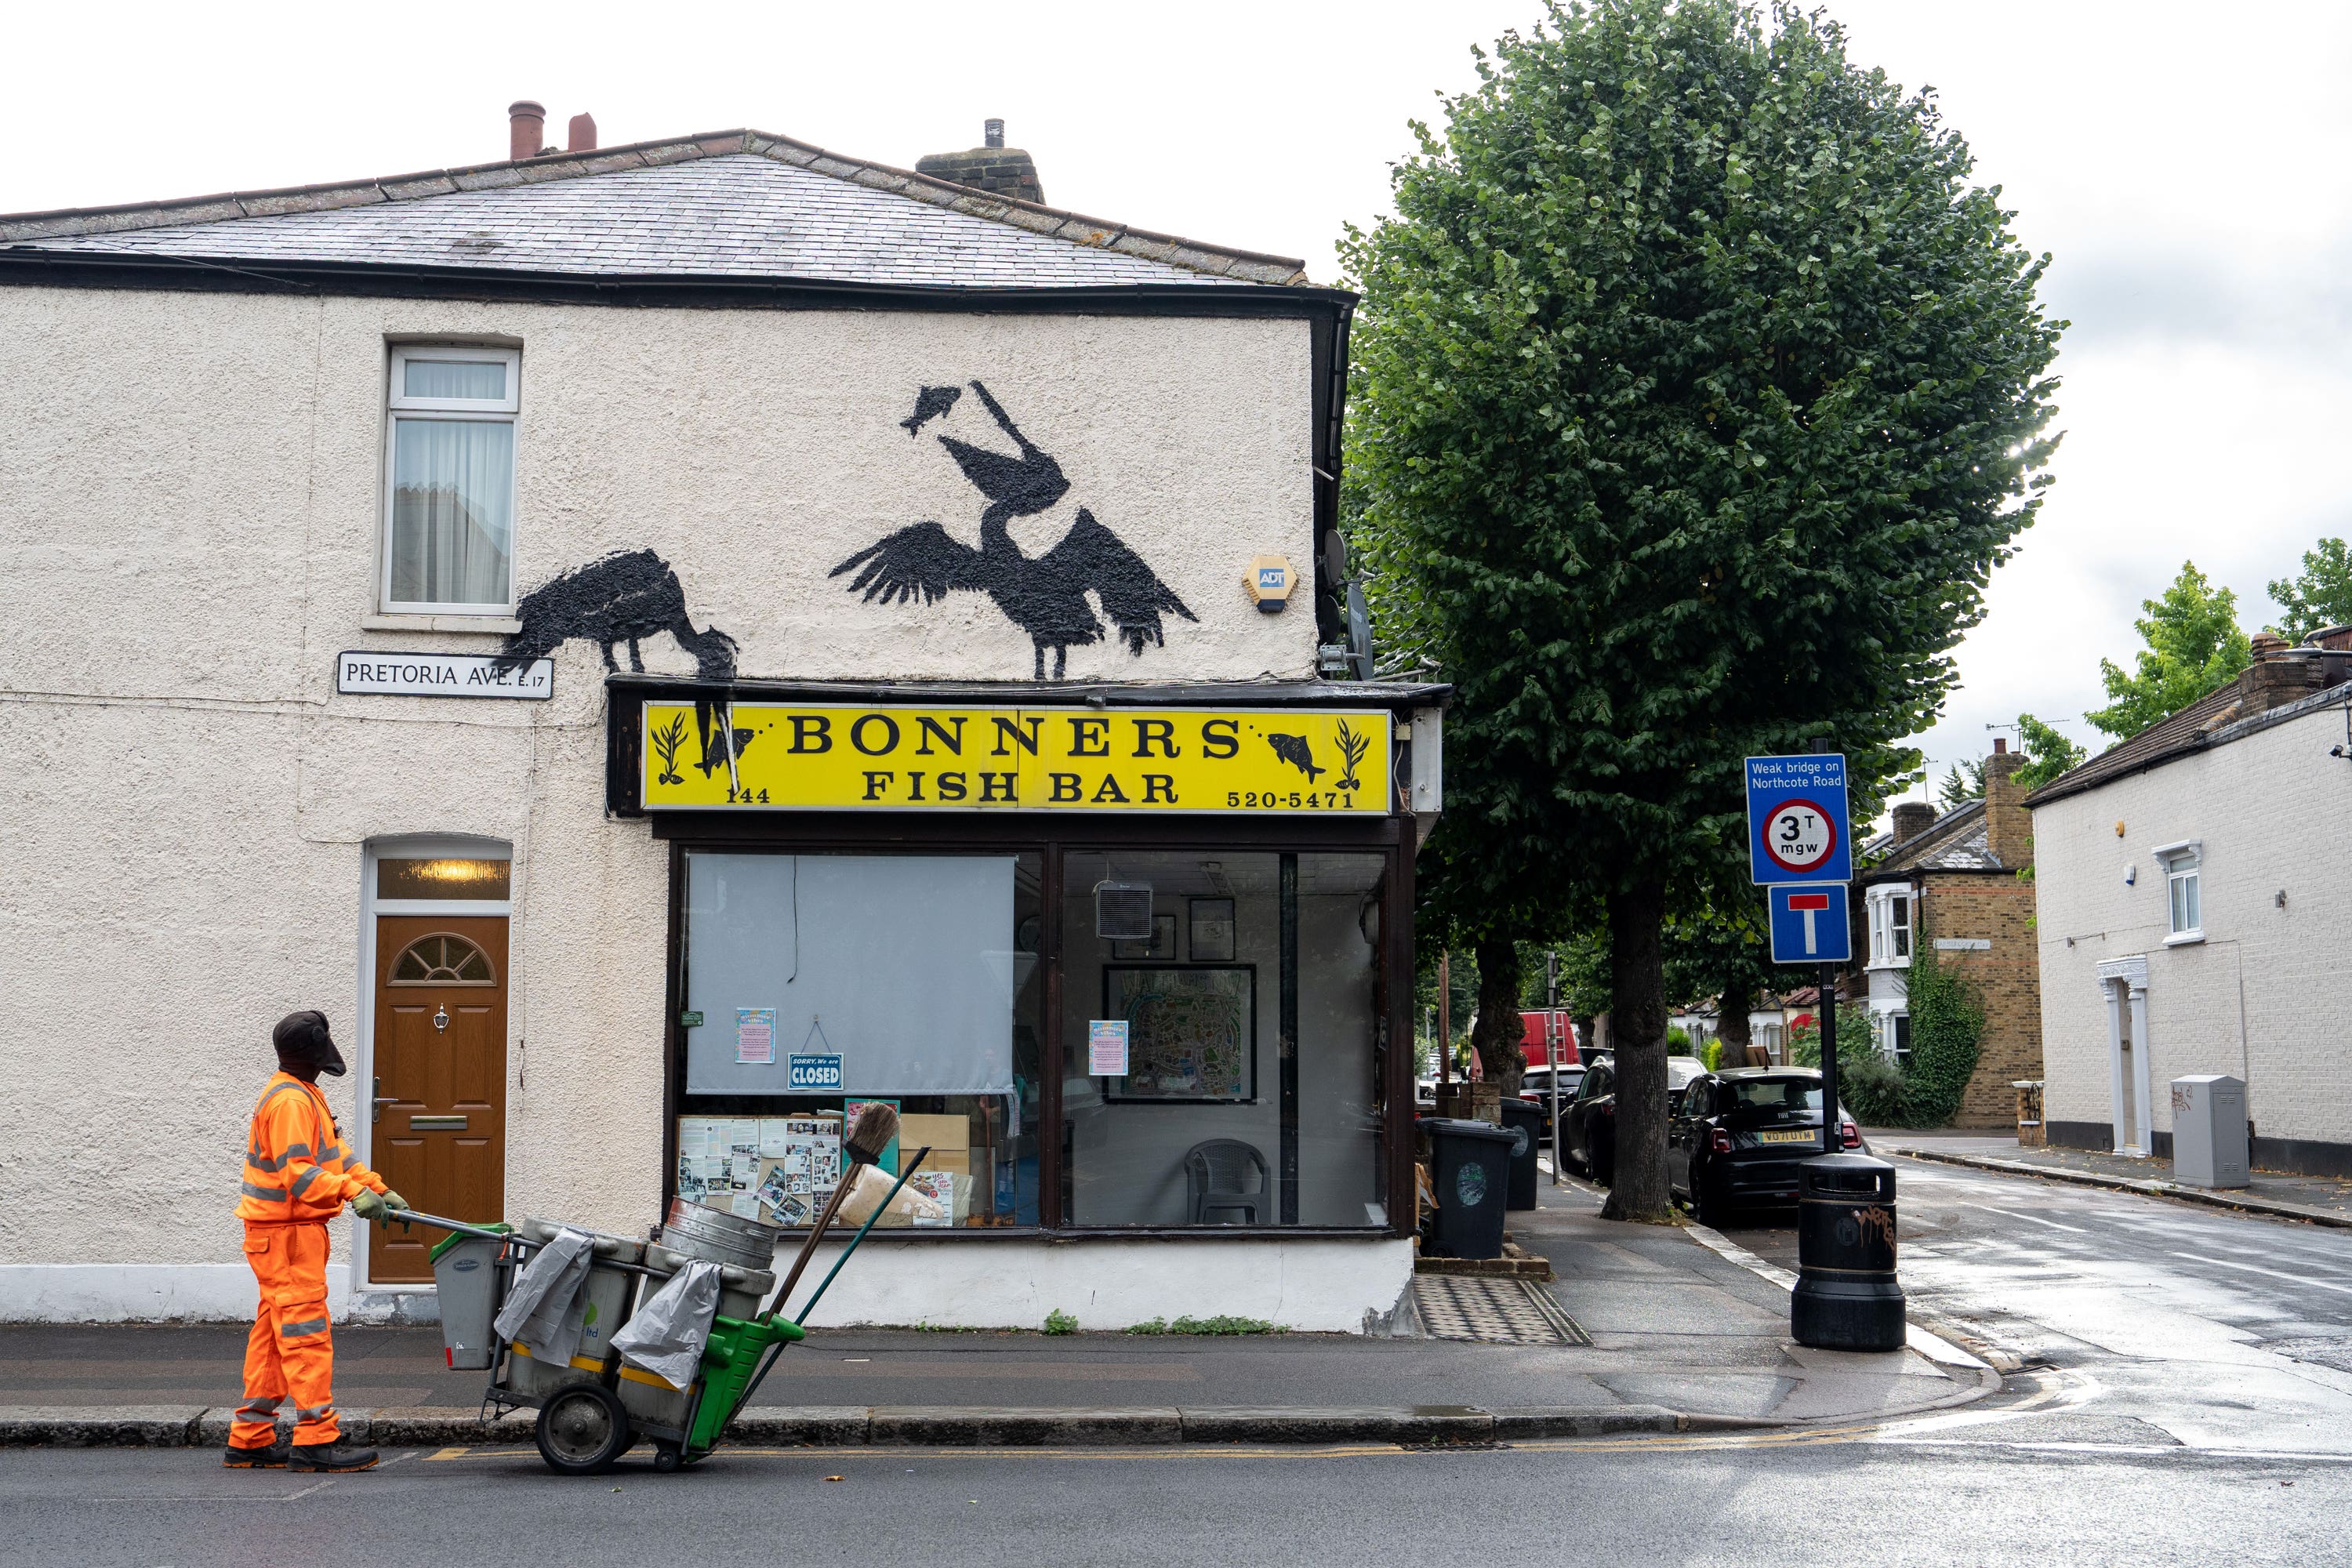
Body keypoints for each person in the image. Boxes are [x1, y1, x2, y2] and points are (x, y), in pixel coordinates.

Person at [224, 1010, 408, 1472]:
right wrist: (352, 1192)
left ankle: (249, 1437)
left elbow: (335, 1157)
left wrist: (377, 1187)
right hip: (285, 1236)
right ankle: (315, 1440)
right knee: (306, 1336)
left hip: (286, 1234)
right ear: (315, 1056)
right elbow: (299, 1176)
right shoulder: (289, 1103)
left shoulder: (305, 1094)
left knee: (273, 1336)